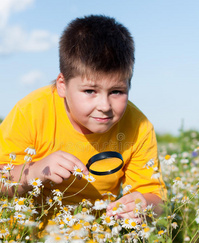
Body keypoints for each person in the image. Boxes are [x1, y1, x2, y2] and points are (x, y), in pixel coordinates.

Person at [0, 15, 166, 222]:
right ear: (62, 84)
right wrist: (33, 172)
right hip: (25, 242)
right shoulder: (31, 111)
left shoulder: (138, 127)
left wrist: (144, 204)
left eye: (116, 91)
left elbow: (157, 200)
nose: (104, 106)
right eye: (89, 91)